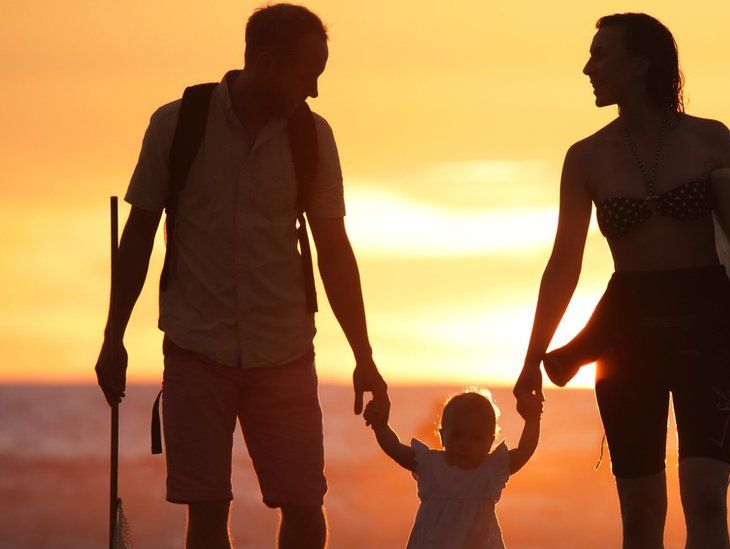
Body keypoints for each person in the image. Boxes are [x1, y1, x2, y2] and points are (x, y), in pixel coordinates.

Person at [93, 4, 386, 548]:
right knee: (205, 514)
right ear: (267, 62)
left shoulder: (313, 137)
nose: (315, 91)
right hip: (195, 348)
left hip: (286, 352)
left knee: (303, 507)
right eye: (308, 75)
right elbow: (136, 238)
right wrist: (113, 335)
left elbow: (334, 251)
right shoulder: (176, 123)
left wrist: (364, 356)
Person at [514, 12, 730, 549]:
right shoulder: (585, 157)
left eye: (601, 55)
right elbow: (564, 262)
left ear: (641, 63)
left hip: (710, 324)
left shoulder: (710, 140)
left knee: (705, 500)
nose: (588, 68)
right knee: (641, 512)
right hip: (627, 331)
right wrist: (531, 358)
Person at [362, 387, 542, 548]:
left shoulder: (491, 469)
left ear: (491, 440)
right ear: (442, 436)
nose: (465, 444)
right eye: (457, 435)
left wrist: (533, 420)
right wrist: (380, 426)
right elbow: (395, 448)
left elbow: (524, 450)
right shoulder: (430, 464)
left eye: (476, 438)